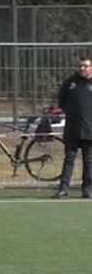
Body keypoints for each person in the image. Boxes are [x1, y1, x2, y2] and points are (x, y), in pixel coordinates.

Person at [54, 56, 92, 198]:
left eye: (85, 66)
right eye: (80, 66)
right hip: (72, 129)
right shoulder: (70, 83)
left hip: (89, 130)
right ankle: (63, 189)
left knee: (89, 161)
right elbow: (62, 101)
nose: (82, 68)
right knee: (69, 159)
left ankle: (87, 189)